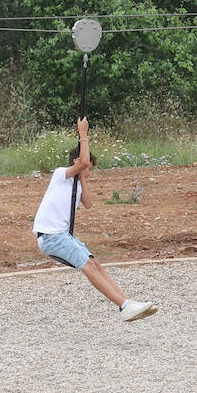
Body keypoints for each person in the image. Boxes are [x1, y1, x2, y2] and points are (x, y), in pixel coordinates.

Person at [32, 117, 157, 322]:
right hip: (51, 236)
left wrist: (82, 177)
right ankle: (124, 305)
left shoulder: (77, 184)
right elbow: (84, 162)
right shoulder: (60, 175)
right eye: (88, 168)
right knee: (88, 266)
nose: (89, 171)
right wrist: (83, 134)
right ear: (76, 163)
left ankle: (127, 303)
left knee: (95, 264)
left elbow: (88, 203)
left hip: (62, 235)